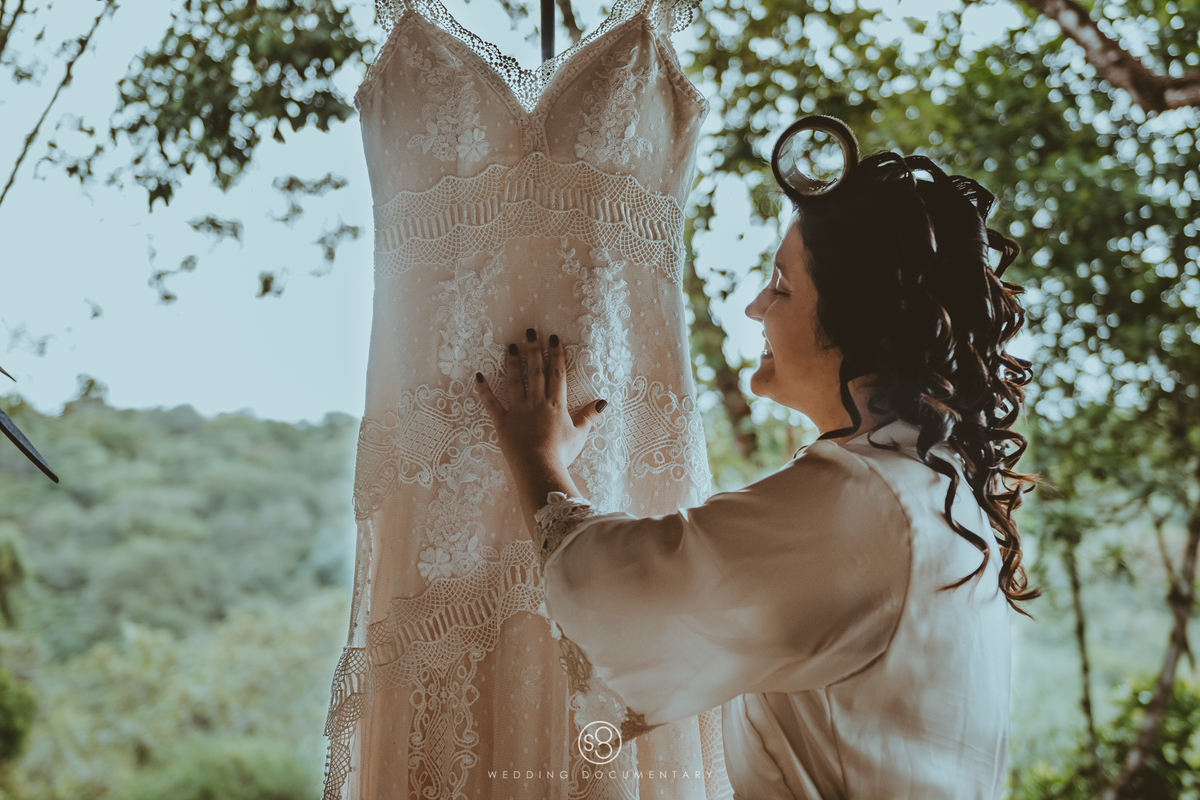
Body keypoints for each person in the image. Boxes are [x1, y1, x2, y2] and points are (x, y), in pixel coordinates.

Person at [474, 117, 1039, 799]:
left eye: (781, 285)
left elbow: (626, 594)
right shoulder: (938, 483)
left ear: (854, 320)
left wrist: (538, 462)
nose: (754, 307)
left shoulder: (862, 498)